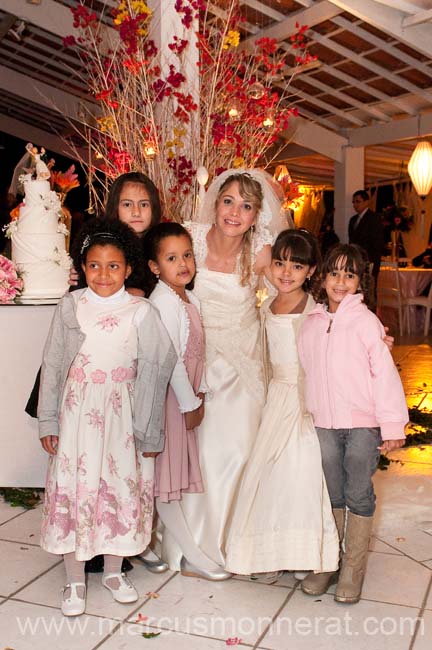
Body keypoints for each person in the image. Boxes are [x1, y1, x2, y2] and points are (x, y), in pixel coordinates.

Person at [25, 171, 167, 573]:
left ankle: (116, 548)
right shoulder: (79, 291)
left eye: (143, 204)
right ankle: (81, 545)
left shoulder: (154, 263)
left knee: (120, 476)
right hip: (82, 396)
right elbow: (55, 359)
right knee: (80, 470)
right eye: (127, 203)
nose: (136, 211)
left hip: (125, 398)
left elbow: (159, 357)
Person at [38, 218, 176, 616]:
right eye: (94, 265)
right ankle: (75, 579)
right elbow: (52, 364)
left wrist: (149, 432)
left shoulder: (141, 311)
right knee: (77, 487)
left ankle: (114, 571)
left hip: (120, 419)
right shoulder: (71, 305)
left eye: (113, 265)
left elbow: (157, 367)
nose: (103, 274)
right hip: (77, 416)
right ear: (82, 267)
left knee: (118, 487)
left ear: (128, 268)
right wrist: (48, 420)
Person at [160, 168, 291, 573]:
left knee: (235, 448)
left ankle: (231, 543)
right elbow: (167, 283)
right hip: (196, 357)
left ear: (257, 216)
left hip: (242, 361)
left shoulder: (262, 250)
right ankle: (186, 543)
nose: (236, 211)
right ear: (215, 203)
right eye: (229, 201)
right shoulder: (191, 238)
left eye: (247, 206)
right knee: (195, 448)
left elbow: (289, 289)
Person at [225, 229, 339, 580]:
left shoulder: (315, 310)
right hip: (276, 396)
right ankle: (269, 552)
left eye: (296, 266)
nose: (286, 272)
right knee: (268, 471)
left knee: (301, 470)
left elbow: (328, 355)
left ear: (311, 272)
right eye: (279, 263)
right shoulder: (267, 305)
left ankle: (304, 552)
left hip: (304, 398)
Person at [298, 243, 408, 603]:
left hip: (362, 426)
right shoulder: (311, 322)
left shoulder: (366, 322)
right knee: (331, 492)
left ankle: (353, 568)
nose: (340, 281)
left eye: (350, 274)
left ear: (361, 282)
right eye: (334, 273)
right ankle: (330, 561)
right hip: (324, 425)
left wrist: (392, 426)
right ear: (322, 277)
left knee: (358, 492)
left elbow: (385, 376)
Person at [142, 222, 230, 580]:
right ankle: (191, 555)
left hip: (185, 396)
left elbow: (198, 353)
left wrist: (202, 389)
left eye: (188, 255)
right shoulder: (162, 301)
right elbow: (171, 360)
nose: (183, 264)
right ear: (154, 267)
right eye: (172, 258)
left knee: (167, 480)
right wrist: (189, 403)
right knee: (164, 482)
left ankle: (152, 546)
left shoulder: (187, 298)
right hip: (168, 401)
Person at [348, 190, 383, 292]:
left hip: (370, 260)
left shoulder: (374, 218)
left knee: (369, 290)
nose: (355, 205)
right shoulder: (353, 220)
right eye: (353, 202)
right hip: (356, 261)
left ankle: (371, 308)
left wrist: (370, 261)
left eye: (358, 201)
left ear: (366, 202)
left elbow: (377, 242)